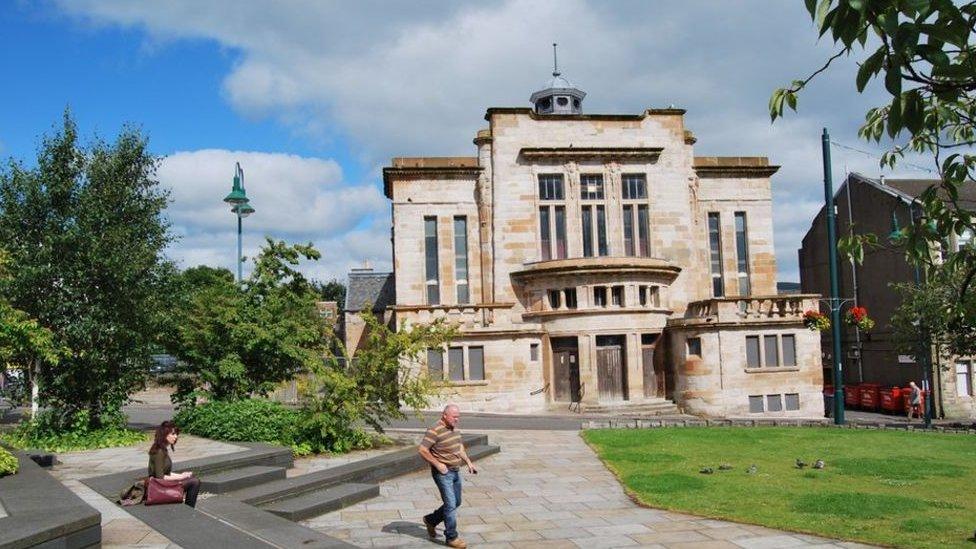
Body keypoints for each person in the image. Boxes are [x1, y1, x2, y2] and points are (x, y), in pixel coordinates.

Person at [418, 404, 478, 549]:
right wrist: (438, 464)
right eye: (454, 417)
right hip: (443, 473)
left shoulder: (455, 429)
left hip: (456, 471)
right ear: (444, 415)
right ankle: (451, 537)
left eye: (458, 417)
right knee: (451, 504)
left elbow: (459, 446)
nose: (457, 420)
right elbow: (422, 449)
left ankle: (431, 520)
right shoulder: (434, 430)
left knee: (456, 502)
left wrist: (468, 462)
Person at [148, 421, 201, 507]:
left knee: (191, 478)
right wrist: (181, 477)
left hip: (162, 483)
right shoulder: (159, 452)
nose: (175, 436)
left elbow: (166, 473)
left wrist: (182, 475)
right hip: (159, 486)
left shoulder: (162, 449)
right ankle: (189, 509)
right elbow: (160, 476)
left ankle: (188, 508)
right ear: (164, 434)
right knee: (195, 482)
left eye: (176, 434)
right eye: (173, 434)